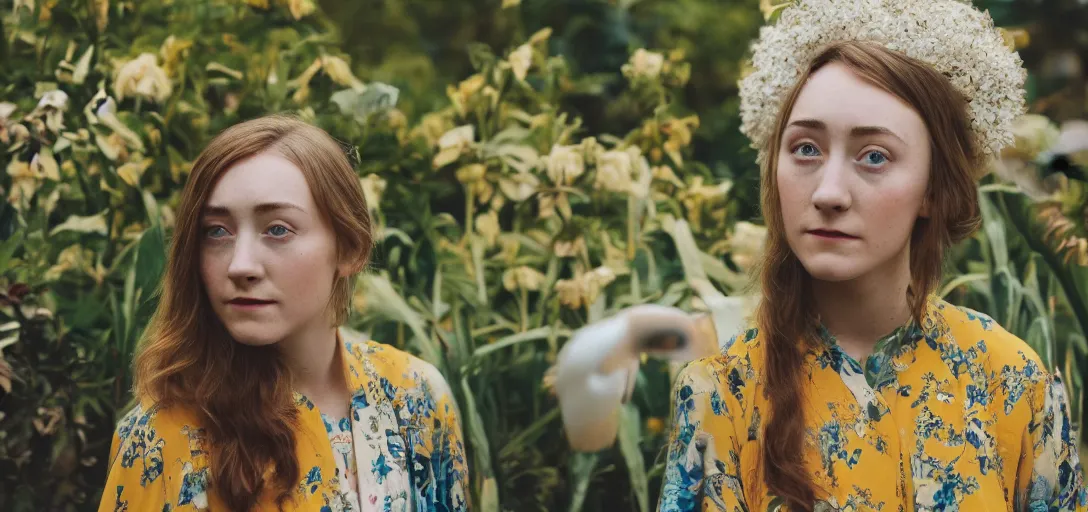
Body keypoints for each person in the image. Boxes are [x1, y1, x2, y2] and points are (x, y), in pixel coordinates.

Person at [558, 0, 1088, 510]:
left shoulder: (1009, 379)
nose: (828, 192)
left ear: (932, 187)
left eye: (874, 156)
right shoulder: (721, 393)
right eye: (806, 149)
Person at [98, 115, 469, 512]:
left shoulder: (415, 397)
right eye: (217, 231)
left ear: (349, 248)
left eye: (277, 229)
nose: (240, 266)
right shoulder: (158, 438)